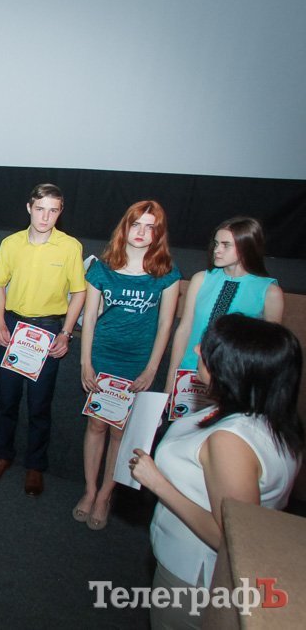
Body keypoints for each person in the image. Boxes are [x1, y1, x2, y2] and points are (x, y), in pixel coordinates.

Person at [130, 315, 303, 628]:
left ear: (231, 369)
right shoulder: (273, 419)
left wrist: (157, 482)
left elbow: (230, 536)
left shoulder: (231, 443)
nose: (197, 350)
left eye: (208, 350)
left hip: (194, 577)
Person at [75, 201, 181, 529]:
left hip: (137, 363)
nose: (141, 232)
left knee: (120, 432)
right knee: (96, 426)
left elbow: (165, 325)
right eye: (136, 225)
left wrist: (151, 369)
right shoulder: (102, 268)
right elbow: (89, 319)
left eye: (150, 227)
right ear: (126, 227)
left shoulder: (167, 273)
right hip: (102, 357)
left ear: (158, 233)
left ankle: (106, 495)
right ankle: (90, 490)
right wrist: (85, 363)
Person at [0, 183, 86, 496]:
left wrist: (66, 333)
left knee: (40, 404)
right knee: (8, 400)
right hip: (12, 325)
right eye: (40, 209)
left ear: (60, 212)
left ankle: (35, 466)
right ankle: (3, 455)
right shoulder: (11, 243)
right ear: (29, 208)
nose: (45, 217)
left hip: (48, 329)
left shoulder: (70, 247)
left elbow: (79, 292)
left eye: (53, 210)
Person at [165, 217, 284, 390]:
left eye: (226, 245)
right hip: (188, 374)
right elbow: (185, 329)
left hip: (232, 382)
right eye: (216, 243)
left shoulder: (270, 292)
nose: (217, 250)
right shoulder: (201, 279)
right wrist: (171, 379)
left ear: (246, 247)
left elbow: (268, 352)